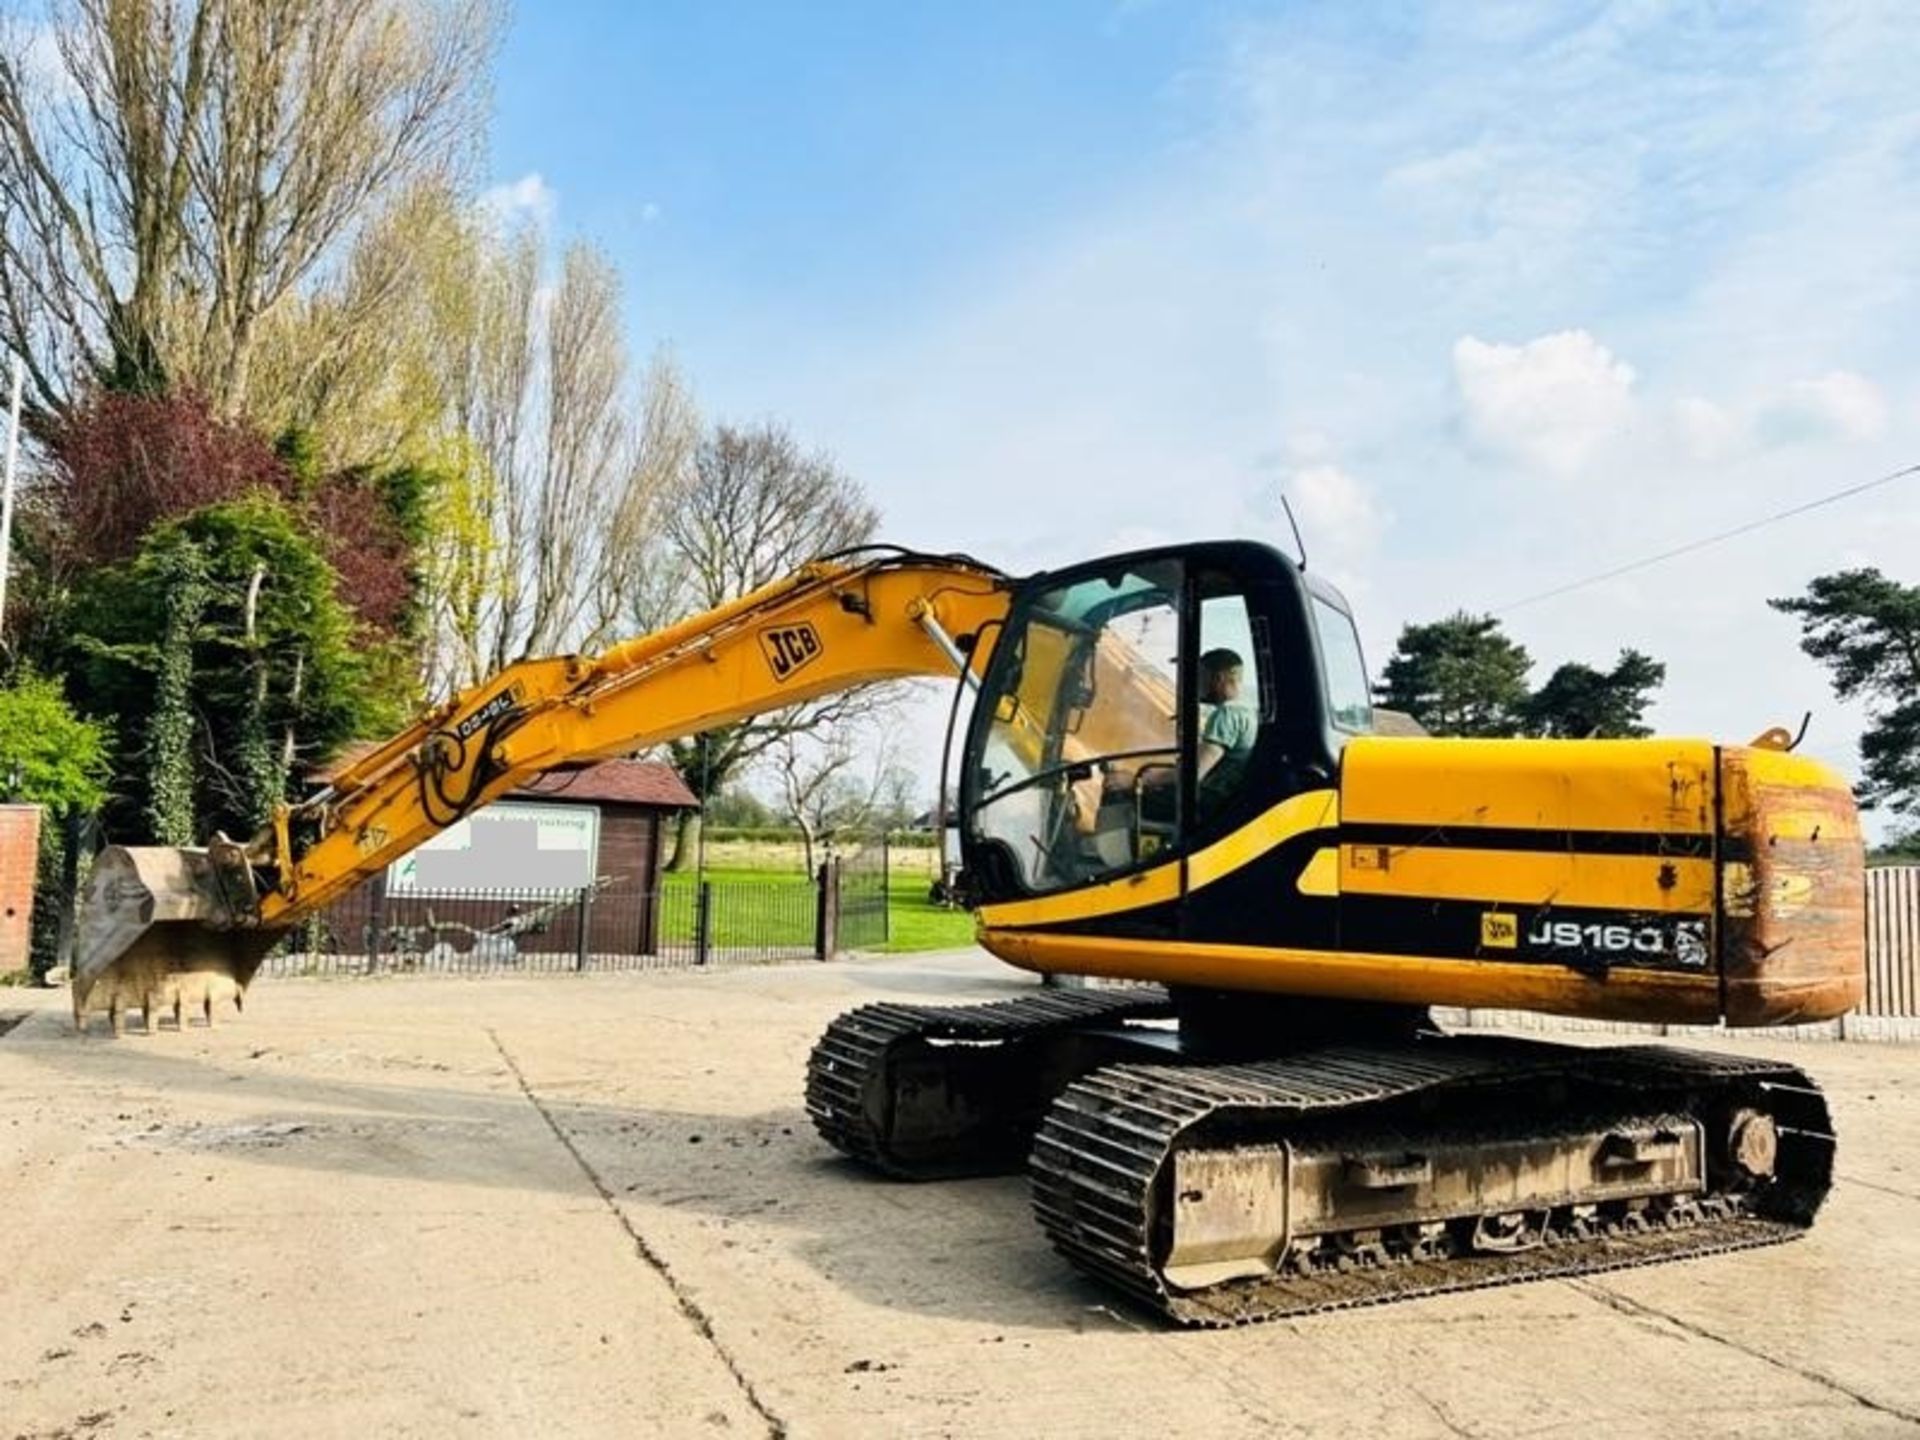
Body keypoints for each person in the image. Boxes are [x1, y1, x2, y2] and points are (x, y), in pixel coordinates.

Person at [1196, 647, 1256, 811]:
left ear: (1218, 678)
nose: (1198, 685)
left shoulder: (1227, 714)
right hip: (1237, 800)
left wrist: (1145, 779)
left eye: (1201, 677)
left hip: (1216, 802)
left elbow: (1194, 773)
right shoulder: (1250, 711)